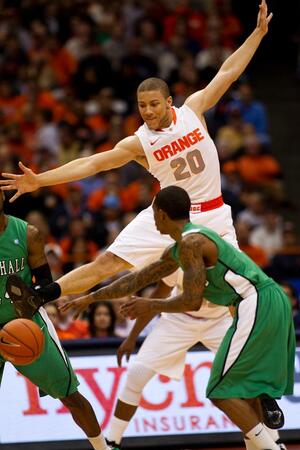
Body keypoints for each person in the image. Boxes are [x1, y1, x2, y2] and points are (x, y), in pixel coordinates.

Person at [1, 1, 272, 300]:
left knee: (240, 291)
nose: (148, 111)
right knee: (107, 263)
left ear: (169, 102)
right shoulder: (139, 142)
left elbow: (228, 72)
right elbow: (92, 164)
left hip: (213, 214)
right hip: (167, 215)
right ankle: (40, 295)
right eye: (142, 106)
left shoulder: (193, 110)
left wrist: (257, 34)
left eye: (154, 104)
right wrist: (40, 180)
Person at [59, 186, 295, 450]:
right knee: (235, 390)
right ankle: (268, 439)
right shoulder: (181, 246)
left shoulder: (193, 242)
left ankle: (273, 445)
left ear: (159, 214)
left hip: (255, 302)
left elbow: (191, 301)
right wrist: (90, 298)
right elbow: (137, 279)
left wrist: (150, 304)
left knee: (221, 391)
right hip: (256, 303)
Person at [0, 192, 109, 450]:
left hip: (25, 325)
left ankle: (103, 448)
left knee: (71, 395)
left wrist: (32, 298)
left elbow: (46, 284)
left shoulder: (28, 234)